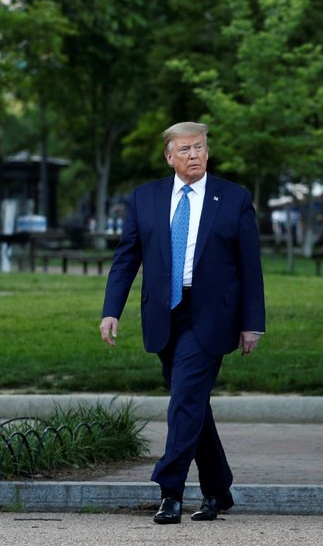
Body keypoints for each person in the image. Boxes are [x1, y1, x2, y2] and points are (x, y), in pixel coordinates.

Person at [99, 121, 266, 525]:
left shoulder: (234, 198)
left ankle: (169, 488)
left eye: (200, 148)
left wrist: (252, 323)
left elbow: (250, 267)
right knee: (193, 404)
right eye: (186, 150)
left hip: (211, 315)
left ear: (208, 153)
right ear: (169, 156)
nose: (194, 155)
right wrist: (111, 310)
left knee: (185, 399)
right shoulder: (145, 198)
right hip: (164, 313)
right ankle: (218, 489)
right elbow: (127, 259)